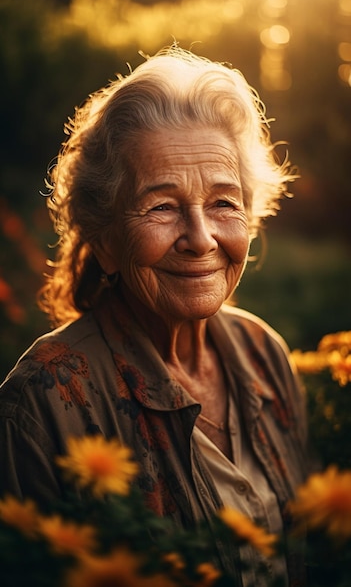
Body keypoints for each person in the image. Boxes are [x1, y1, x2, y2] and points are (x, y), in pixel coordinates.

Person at [0, 46, 310, 586]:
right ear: (103, 240)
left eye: (223, 203)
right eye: (162, 206)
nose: (200, 238)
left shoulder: (264, 353)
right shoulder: (43, 401)